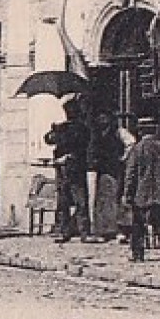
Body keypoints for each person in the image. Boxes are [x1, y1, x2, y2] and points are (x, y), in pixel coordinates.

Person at [123, 118, 160, 263]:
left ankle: (138, 254)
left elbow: (131, 174)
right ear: (155, 131)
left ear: (140, 131)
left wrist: (127, 194)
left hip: (141, 194)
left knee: (138, 225)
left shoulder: (137, 150)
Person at [45, 97, 94, 243]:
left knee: (78, 201)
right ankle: (68, 231)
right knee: (65, 201)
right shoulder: (64, 128)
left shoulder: (81, 129)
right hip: (65, 170)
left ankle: (81, 231)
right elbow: (48, 139)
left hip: (74, 168)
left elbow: (81, 146)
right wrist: (54, 130)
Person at [87, 110, 126, 240]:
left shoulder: (118, 132)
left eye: (105, 118)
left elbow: (131, 143)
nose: (103, 121)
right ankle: (103, 230)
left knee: (115, 199)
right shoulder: (97, 134)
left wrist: (123, 158)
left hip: (115, 170)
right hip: (102, 170)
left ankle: (118, 229)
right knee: (102, 200)